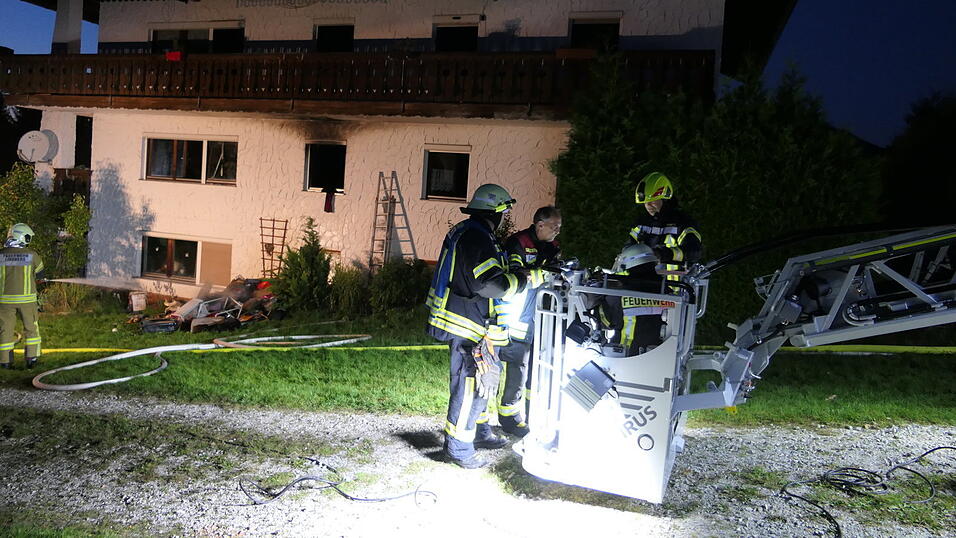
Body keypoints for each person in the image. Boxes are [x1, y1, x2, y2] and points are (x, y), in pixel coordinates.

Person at [426, 184, 545, 469]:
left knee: (483, 382)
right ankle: (458, 449)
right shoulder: (476, 237)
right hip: (467, 325)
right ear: (497, 212)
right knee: (470, 386)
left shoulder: (473, 232)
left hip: (473, 322)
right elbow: (489, 284)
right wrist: (525, 280)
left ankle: (479, 433)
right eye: (505, 212)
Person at [495, 206, 562, 437]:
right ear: (540, 225)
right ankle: (508, 418)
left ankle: (533, 416)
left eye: (559, 227)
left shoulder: (553, 246)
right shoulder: (518, 243)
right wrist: (543, 274)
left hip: (540, 320)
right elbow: (516, 277)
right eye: (554, 226)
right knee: (516, 369)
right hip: (516, 320)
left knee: (535, 371)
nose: (557, 231)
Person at [622, 172, 702, 350]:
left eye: (652, 201)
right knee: (635, 334)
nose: (648, 206)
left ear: (665, 197)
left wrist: (664, 254)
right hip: (641, 289)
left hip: (672, 292)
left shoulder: (683, 222)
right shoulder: (641, 223)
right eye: (645, 202)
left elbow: (694, 251)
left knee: (667, 341)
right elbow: (628, 249)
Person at [0, 223, 45, 369]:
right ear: (22, 237)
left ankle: (5, 362)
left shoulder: (1, 255)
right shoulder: (32, 255)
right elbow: (41, 274)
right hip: (27, 301)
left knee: (5, 330)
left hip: (5, 301)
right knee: (31, 329)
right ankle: (31, 359)